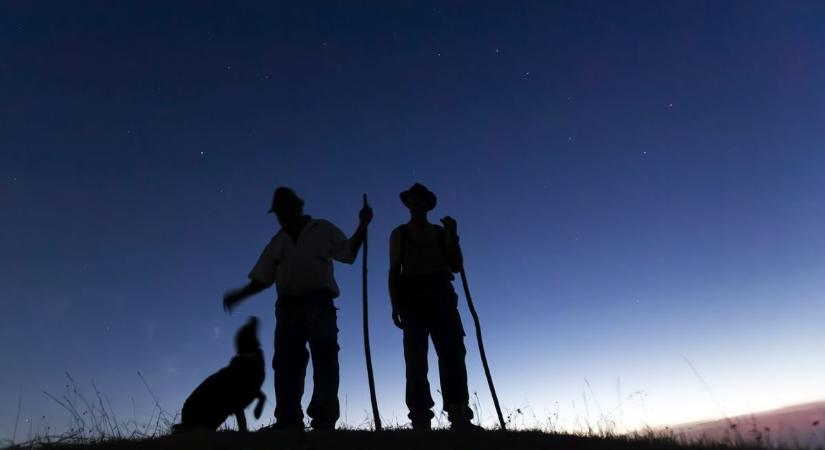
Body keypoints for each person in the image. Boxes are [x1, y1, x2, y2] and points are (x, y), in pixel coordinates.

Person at [223, 187, 372, 431]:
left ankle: (324, 420)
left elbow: (347, 253)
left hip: (319, 302)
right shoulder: (277, 242)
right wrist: (240, 294)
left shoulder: (322, 228)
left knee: (324, 359)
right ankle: (288, 420)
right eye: (278, 212)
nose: (281, 216)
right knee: (285, 364)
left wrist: (362, 225)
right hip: (287, 308)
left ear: (297, 208)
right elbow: (262, 278)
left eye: (284, 210)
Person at [388, 183, 479, 430]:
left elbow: (457, 265)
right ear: (408, 204)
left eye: (421, 200)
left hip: (442, 294)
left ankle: (458, 412)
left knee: (453, 353)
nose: (417, 204)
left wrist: (452, 236)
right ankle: (420, 416)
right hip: (412, 298)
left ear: (428, 205)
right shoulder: (399, 233)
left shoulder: (441, 232)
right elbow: (394, 269)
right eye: (413, 200)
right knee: (415, 358)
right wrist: (395, 303)